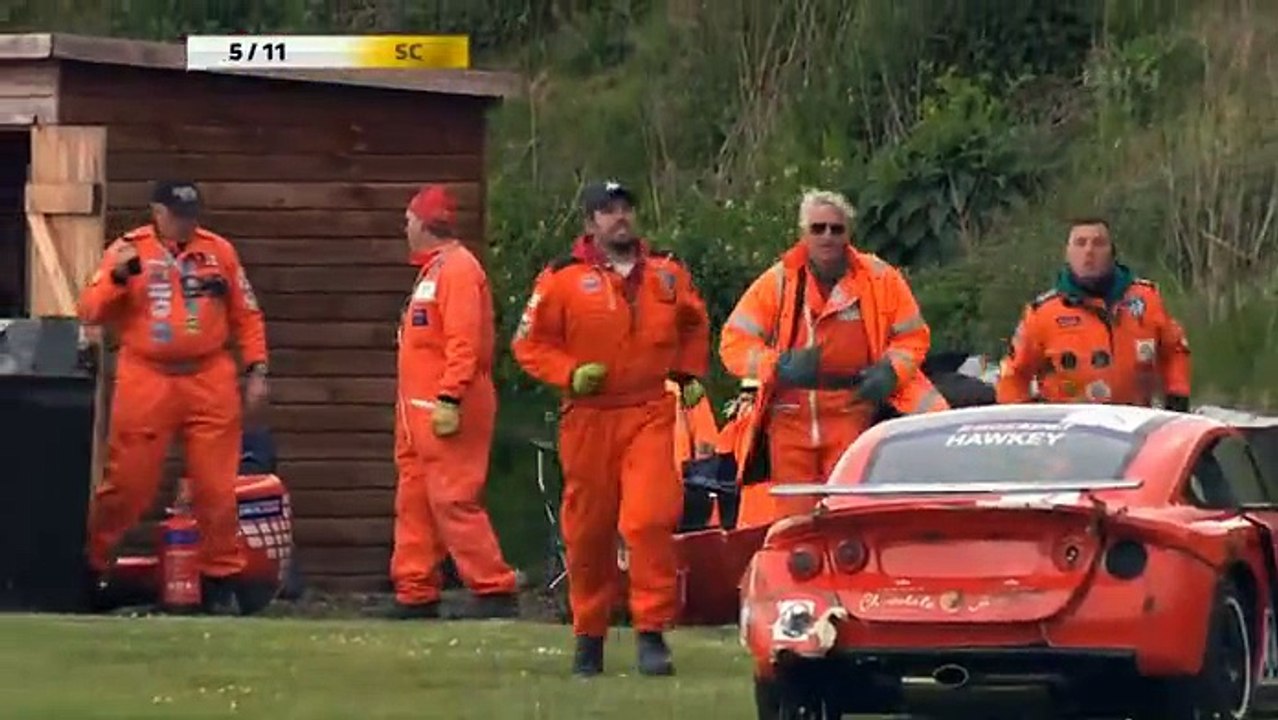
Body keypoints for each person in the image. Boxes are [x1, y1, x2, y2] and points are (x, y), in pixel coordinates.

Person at [511, 180, 710, 677]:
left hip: (647, 409)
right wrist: (569, 375)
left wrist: (687, 373)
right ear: (589, 223)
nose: (619, 218)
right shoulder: (561, 279)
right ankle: (589, 637)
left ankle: (651, 633)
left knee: (648, 520)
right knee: (589, 533)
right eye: (607, 211)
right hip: (589, 416)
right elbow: (529, 344)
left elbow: (694, 323)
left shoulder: (667, 273)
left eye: (625, 209)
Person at [78, 179, 268, 614]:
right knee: (128, 483)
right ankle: (93, 568)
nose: (186, 224)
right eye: (177, 215)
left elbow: (248, 315)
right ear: (157, 213)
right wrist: (116, 279)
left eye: (191, 216)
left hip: (210, 377)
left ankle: (220, 580)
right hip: (147, 377)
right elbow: (89, 310)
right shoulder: (127, 250)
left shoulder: (219, 252)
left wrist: (257, 369)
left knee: (217, 488)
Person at [718, 189, 949, 526]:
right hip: (790, 420)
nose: (827, 236)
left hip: (852, 410)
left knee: (849, 519)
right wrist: (777, 366)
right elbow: (733, 342)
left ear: (848, 234)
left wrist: (890, 371)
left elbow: (912, 336)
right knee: (795, 528)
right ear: (803, 234)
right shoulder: (778, 283)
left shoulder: (879, 278)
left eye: (836, 229)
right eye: (818, 228)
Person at [386, 184, 520, 620]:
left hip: (447, 408)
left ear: (424, 224)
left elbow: (465, 342)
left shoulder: (458, 271)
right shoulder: (436, 271)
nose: (405, 227)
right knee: (416, 501)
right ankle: (416, 591)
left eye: (408, 220)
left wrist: (449, 396)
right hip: (418, 414)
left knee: (453, 500)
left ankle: (493, 589)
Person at [994, 217, 1191, 408]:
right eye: (1080, 243)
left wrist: (1177, 393)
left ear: (1112, 252)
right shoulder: (1043, 313)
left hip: (1134, 425)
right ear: (1067, 253)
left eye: (1099, 243)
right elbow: (1013, 375)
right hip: (1073, 429)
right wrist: (1024, 423)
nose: (1089, 251)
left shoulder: (1147, 299)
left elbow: (1175, 350)